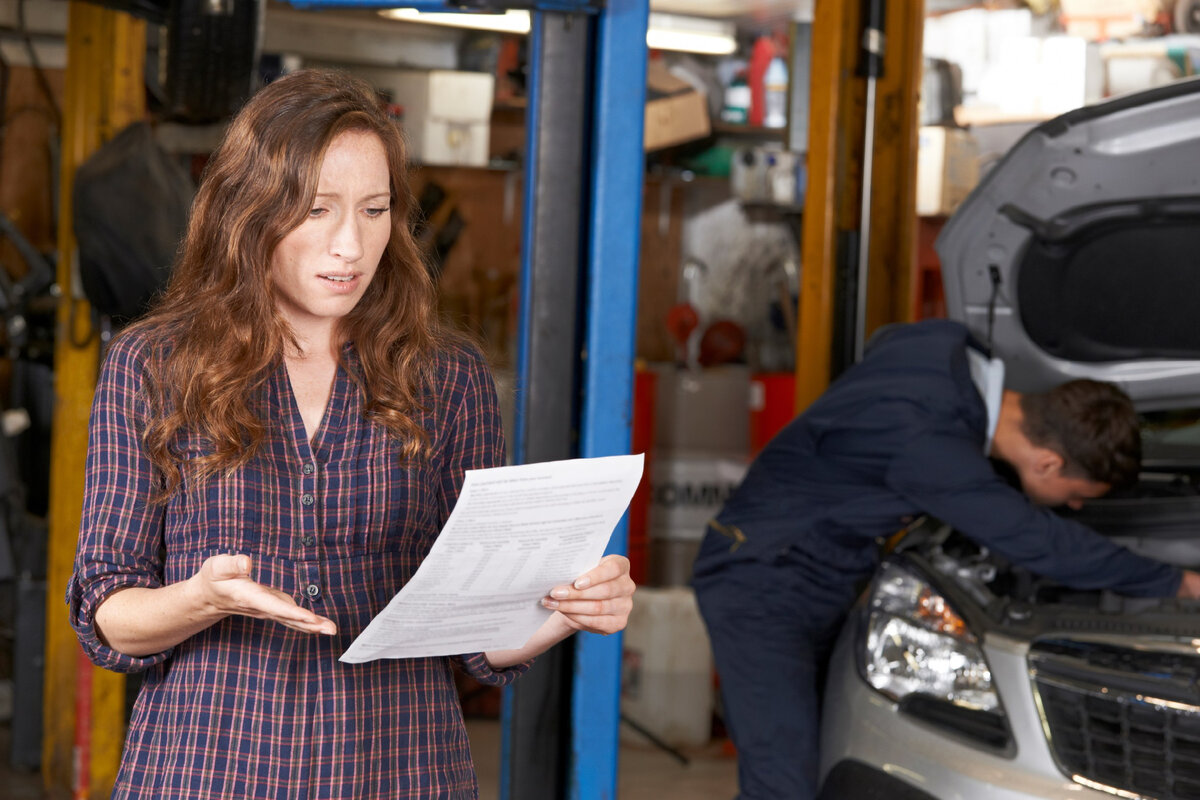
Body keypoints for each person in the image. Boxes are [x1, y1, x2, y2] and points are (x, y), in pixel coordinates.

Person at [67, 69, 634, 800]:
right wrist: (203, 598)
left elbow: (477, 638)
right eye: (316, 210)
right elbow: (110, 616)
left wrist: (563, 609)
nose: (350, 245)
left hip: (399, 763)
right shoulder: (154, 365)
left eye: (374, 210)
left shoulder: (444, 376)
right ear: (250, 210)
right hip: (207, 762)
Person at [691, 318, 1200, 800]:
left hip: (810, 566)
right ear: (1048, 461)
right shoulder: (926, 442)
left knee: (815, 756)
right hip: (762, 582)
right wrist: (1175, 582)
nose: (1075, 507)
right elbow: (1038, 541)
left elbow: (887, 339)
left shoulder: (948, 345)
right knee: (781, 784)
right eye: (1076, 495)